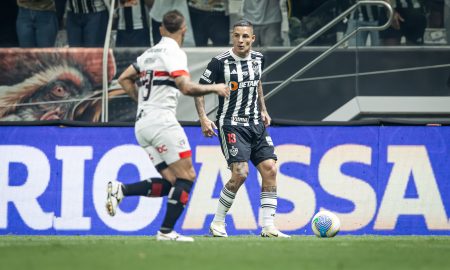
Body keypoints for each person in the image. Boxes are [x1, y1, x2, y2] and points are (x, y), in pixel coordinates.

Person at [106, 10, 229, 242]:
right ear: (184, 29)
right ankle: (166, 232)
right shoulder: (174, 53)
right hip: (162, 122)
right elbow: (185, 87)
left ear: (161, 29)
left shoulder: (149, 53)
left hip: (142, 124)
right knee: (188, 176)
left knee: (173, 182)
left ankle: (122, 190)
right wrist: (215, 88)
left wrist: (141, 101)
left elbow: (123, 78)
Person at [194, 20, 290, 238]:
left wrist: (264, 109)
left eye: (245, 36)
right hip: (231, 124)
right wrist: (203, 119)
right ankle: (218, 223)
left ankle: (268, 227)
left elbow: (256, 83)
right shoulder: (219, 63)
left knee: (270, 169)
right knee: (240, 173)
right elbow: (200, 89)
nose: (241, 40)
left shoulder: (258, 59)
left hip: (255, 123)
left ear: (252, 39)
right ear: (232, 37)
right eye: (237, 35)